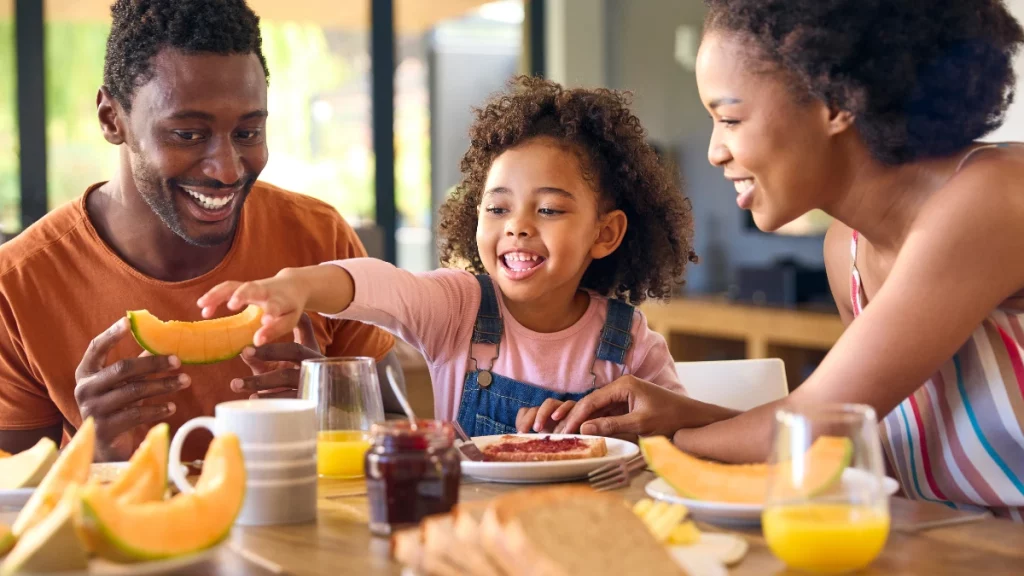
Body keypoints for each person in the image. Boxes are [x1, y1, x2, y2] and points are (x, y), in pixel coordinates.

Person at [557, 0, 1024, 520]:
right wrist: (682, 416)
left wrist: (669, 440)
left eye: (730, 117)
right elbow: (844, 437)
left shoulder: (995, 197)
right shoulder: (845, 249)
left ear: (834, 102)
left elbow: (816, 425)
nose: (715, 151)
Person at [0, 0, 405, 462]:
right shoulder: (18, 284)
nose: (228, 170)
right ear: (113, 119)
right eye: (189, 135)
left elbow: (402, 429)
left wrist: (333, 411)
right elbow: (10, 498)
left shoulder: (320, 239)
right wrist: (97, 453)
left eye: (248, 133)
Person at [196, 76, 698, 436]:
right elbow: (380, 285)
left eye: (547, 209)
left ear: (605, 233)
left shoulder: (627, 340)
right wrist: (299, 286)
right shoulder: (458, 308)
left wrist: (624, 434)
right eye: (498, 207)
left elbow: (680, 432)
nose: (517, 225)